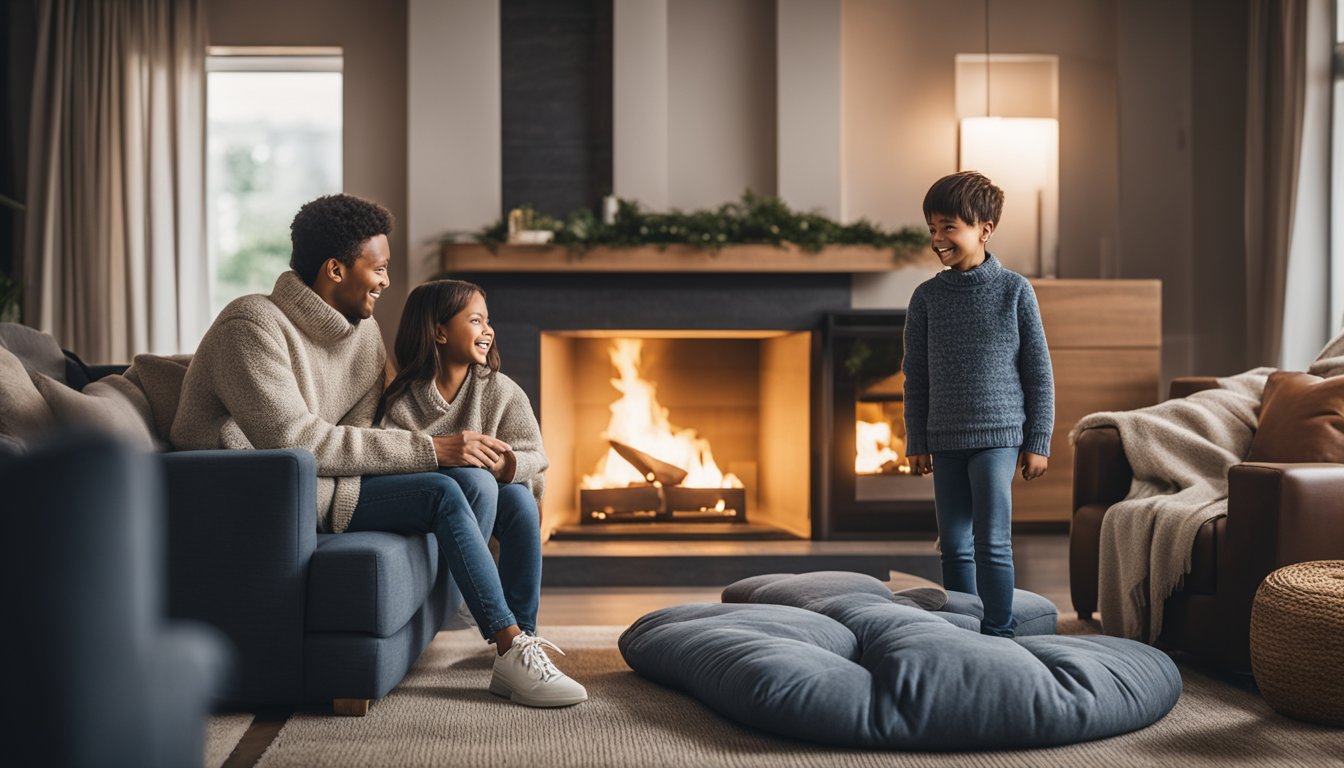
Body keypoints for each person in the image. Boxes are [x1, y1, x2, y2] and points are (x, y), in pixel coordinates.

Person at [172, 193, 586, 707]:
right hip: (259, 495)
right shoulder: (252, 327)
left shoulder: (363, 335)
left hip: (329, 482)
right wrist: (434, 450)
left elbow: (370, 429)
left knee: (485, 485)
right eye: (380, 267)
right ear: (335, 269)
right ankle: (508, 645)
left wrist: (468, 459)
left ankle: (517, 636)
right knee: (440, 491)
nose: (388, 281)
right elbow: (297, 443)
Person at [377, 279, 569, 702]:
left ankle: (523, 641)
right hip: (435, 501)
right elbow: (389, 459)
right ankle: (508, 638)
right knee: (475, 480)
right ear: (440, 331)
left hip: (493, 498)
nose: (489, 330)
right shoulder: (403, 403)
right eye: (476, 320)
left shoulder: (500, 390)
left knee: (519, 497)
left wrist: (509, 464)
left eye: (490, 321)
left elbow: (537, 455)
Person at [901, 171, 1055, 637]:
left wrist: (1038, 440)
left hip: (999, 439)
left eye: (949, 227)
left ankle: (1000, 630)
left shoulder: (1014, 291)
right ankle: (961, 630)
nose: (938, 239)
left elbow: (1038, 371)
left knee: (991, 542)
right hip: (945, 440)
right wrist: (917, 440)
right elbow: (916, 377)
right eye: (932, 228)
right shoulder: (926, 299)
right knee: (953, 545)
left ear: (984, 228)